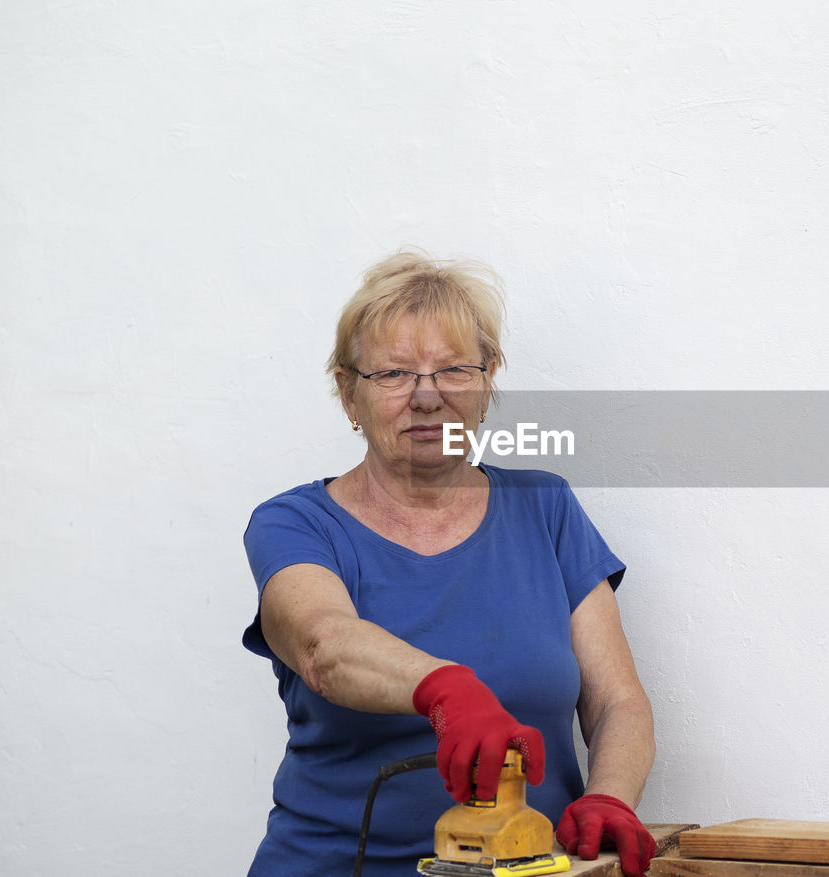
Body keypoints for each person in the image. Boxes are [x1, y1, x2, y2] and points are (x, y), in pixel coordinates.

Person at [241, 250, 657, 877]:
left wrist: (609, 797)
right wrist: (444, 690)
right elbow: (325, 645)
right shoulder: (295, 523)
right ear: (346, 390)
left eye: (455, 370)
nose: (427, 398)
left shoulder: (546, 507)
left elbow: (617, 701)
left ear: (489, 380)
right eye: (393, 374)